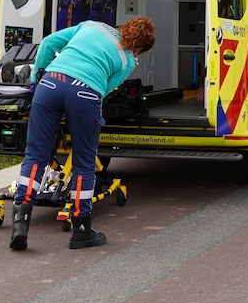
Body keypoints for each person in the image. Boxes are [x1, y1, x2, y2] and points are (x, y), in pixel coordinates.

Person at [10, 17, 156, 251]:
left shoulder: (91, 25)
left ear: (125, 26)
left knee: (35, 156)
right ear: (139, 48)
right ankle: (81, 230)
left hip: (50, 84)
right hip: (86, 93)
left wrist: (37, 79)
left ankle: (20, 223)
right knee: (84, 163)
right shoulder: (127, 60)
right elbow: (104, 90)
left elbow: (48, 43)